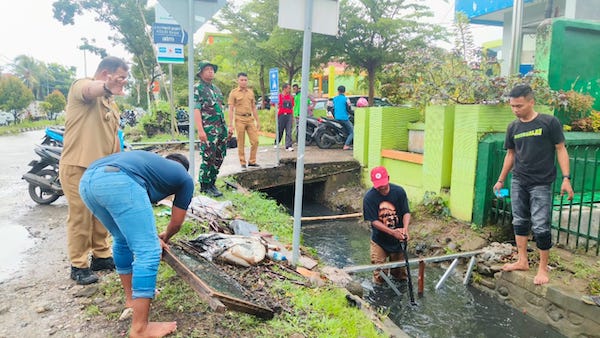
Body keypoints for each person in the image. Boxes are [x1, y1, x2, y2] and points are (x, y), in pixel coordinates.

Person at [79, 151, 194, 338]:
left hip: (89, 181)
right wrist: (164, 238)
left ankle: (131, 299)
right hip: (119, 180)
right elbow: (176, 223)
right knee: (148, 252)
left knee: (122, 239)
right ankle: (140, 329)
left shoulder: (150, 165)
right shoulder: (185, 178)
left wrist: (151, 236)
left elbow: (135, 221)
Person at [493, 84, 574, 285]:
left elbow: (561, 149)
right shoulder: (513, 127)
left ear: (531, 101)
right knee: (519, 220)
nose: (515, 110)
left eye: (519, 105)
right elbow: (510, 155)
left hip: (541, 182)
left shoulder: (549, 122)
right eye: (512, 106)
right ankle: (522, 260)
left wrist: (566, 178)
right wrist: (501, 179)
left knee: (540, 225)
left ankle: (542, 269)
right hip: (519, 180)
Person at [59, 56, 129, 285]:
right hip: (78, 165)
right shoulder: (81, 86)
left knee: (102, 213)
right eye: (120, 77)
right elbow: (91, 89)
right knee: (81, 215)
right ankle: (78, 265)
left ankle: (101, 255)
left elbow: (113, 136)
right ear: (106, 74)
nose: (123, 82)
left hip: (102, 168)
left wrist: (118, 164)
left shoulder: (110, 102)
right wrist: (106, 86)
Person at [363, 166, 411, 284]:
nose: (382, 187)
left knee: (400, 273)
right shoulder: (369, 197)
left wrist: (405, 229)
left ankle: (399, 297)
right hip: (379, 240)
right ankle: (379, 298)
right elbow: (374, 221)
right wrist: (392, 232)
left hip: (398, 240)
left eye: (383, 183)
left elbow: (406, 212)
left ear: (388, 178)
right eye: (378, 185)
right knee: (380, 273)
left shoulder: (399, 192)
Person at [194, 60, 228, 198]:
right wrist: (200, 130)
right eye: (207, 69)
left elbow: (221, 109)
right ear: (201, 72)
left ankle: (212, 182)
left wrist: (227, 128)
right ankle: (204, 185)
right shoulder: (198, 88)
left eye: (212, 69)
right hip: (208, 129)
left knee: (219, 156)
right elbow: (196, 109)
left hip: (220, 128)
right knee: (208, 156)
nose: (210, 71)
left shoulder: (216, 89)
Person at [228, 72, 260, 169]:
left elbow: (254, 107)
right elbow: (231, 108)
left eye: (245, 80)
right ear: (238, 81)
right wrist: (230, 124)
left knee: (255, 141)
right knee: (241, 141)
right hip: (239, 119)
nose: (244, 82)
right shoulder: (234, 93)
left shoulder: (250, 92)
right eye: (242, 80)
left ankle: (252, 161)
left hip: (249, 119)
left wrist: (257, 121)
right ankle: (242, 162)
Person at [332, 85, 354, 150]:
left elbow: (331, 108)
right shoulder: (346, 99)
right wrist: (353, 113)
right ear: (344, 91)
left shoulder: (334, 99)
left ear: (338, 91)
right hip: (344, 118)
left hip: (336, 117)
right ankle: (346, 145)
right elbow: (349, 109)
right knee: (352, 132)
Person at [276, 83, 294, 151]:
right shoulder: (279, 96)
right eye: (288, 88)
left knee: (289, 130)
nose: (289, 90)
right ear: (284, 88)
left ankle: (288, 146)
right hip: (281, 115)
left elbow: (292, 107)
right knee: (280, 129)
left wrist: (292, 116)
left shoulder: (291, 97)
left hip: (289, 115)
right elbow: (275, 105)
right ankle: (277, 142)